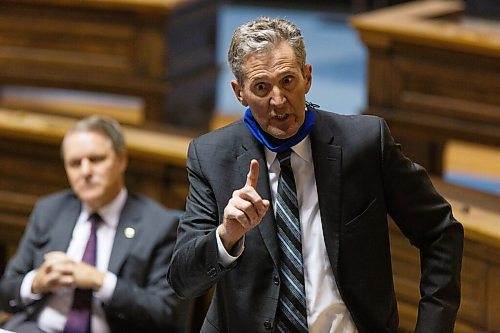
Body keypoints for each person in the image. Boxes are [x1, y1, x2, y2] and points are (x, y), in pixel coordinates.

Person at [168, 17, 464, 333]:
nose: (278, 101)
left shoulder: (363, 144)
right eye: (261, 87)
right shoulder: (212, 156)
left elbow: (439, 232)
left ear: (307, 77)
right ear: (239, 92)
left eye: (287, 81)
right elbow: (183, 282)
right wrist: (227, 236)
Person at [0, 115, 190, 333]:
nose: (85, 171)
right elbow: (6, 291)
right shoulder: (49, 210)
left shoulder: (159, 225)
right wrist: (36, 282)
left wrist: (101, 281)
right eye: (75, 163)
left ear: (121, 160)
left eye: (96, 159)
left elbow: (165, 314)